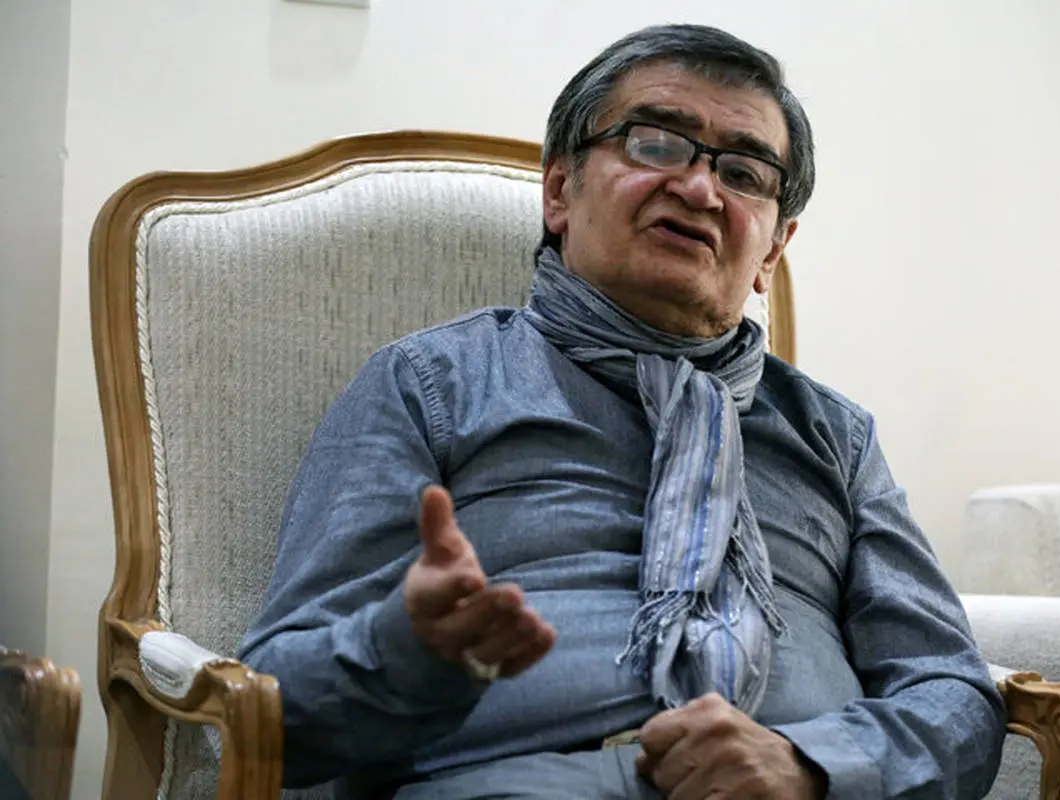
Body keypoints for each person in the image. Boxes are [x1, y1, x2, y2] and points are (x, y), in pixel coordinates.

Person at [238, 23, 1006, 800]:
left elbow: (952, 693)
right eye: (656, 144)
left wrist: (811, 763)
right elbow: (270, 707)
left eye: (743, 172)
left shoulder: (834, 437)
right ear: (560, 191)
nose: (700, 190)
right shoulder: (433, 383)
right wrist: (407, 650)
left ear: (773, 250)